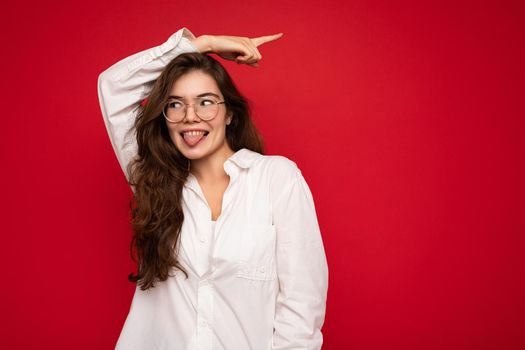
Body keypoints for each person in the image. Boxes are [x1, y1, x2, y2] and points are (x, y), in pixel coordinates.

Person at [97, 26, 329, 350]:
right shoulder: (154, 180)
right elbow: (114, 88)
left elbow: (302, 308)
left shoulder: (277, 179)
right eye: (176, 105)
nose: (190, 117)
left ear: (230, 113)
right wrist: (201, 45)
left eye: (206, 102)